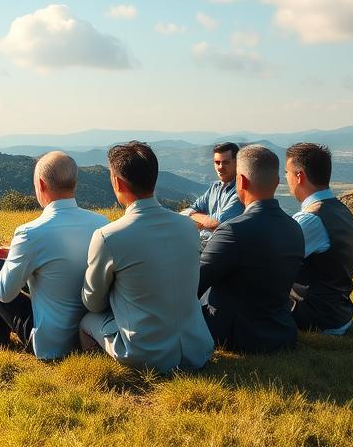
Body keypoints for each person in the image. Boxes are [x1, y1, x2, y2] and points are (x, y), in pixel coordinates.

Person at [0, 152, 107, 359]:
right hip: (90, 334)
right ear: (74, 183)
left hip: (50, 343)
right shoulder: (101, 223)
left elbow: (4, 291)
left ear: (41, 185)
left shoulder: (31, 232)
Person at [80, 142, 213, 372]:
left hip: (146, 355)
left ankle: (101, 371)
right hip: (197, 348)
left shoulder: (108, 236)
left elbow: (93, 302)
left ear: (117, 182)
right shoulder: (188, 227)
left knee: (86, 321)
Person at [198, 144, 304, 353]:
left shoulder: (233, 231)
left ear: (241, 181)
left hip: (235, 336)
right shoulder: (295, 228)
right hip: (282, 332)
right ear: (276, 183)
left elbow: (195, 283)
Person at [286, 143, 353, 335]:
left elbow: (273, 263)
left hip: (316, 317)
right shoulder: (342, 210)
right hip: (338, 314)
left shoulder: (310, 219)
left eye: (287, 173)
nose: (286, 179)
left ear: (299, 176)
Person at [180, 142, 243, 242]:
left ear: (237, 163)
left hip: (224, 249)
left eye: (226, 162)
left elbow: (217, 223)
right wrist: (202, 218)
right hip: (204, 243)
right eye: (217, 162)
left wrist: (194, 215)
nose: (220, 167)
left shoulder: (240, 191)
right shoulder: (215, 187)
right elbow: (192, 208)